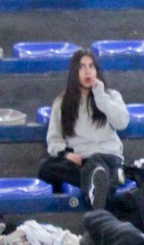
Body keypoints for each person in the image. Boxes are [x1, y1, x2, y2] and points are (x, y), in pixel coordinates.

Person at [39, 49, 128, 209]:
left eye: (91, 66)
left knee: (96, 163)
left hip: (106, 156)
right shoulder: (62, 102)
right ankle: (107, 180)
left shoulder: (111, 96)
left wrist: (101, 96)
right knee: (46, 168)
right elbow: (54, 139)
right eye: (82, 67)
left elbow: (122, 123)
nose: (87, 71)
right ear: (74, 72)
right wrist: (65, 153)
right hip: (80, 160)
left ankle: (98, 187)